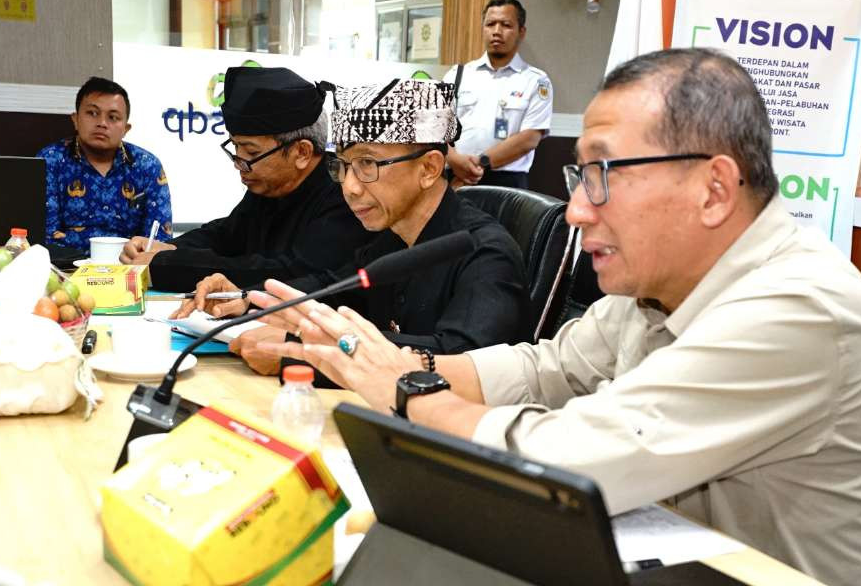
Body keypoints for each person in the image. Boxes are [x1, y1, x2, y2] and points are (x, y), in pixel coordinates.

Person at [252, 49, 861, 586]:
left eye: (602, 174)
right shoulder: (654, 281)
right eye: (579, 174)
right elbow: (548, 369)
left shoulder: (798, 307)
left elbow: (568, 460)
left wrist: (408, 390)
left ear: (713, 189)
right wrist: (399, 365)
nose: (575, 212)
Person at [179, 78, 532, 378]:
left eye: (367, 164)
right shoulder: (391, 241)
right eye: (343, 166)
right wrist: (247, 301)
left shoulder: (486, 254)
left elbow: (456, 360)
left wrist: (302, 353)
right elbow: (331, 289)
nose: (349, 186)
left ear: (428, 169)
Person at [121, 66, 375, 292]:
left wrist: (166, 265)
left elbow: (289, 274)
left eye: (251, 152)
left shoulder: (344, 193)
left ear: (302, 152)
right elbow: (225, 235)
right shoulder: (268, 184)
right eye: (235, 148)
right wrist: (169, 248)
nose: (238, 163)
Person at [38, 76, 172, 252]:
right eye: (92, 113)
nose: (102, 123)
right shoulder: (50, 161)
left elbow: (159, 240)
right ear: (75, 119)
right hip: (67, 268)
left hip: (130, 268)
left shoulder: (147, 166)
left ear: (126, 128)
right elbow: (45, 237)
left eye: (113, 117)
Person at [443, 0, 552, 189]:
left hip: (507, 182)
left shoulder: (535, 80)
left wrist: (479, 164)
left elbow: (529, 138)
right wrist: (454, 161)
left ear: (521, 32)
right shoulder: (458, 75)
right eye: (490, 24)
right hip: (455, 177)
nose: (496, 31)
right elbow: (436, 126)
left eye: (506, 25)